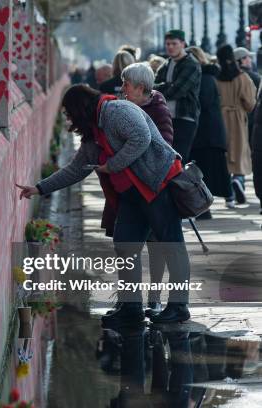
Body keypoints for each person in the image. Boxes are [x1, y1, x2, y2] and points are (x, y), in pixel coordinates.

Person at [16, 84, 191, 325]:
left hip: (157, 186)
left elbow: (142, 137)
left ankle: (179, 307)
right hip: (131, 195)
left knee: (171, 245)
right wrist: (39, 188)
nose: (68, 118)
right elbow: (76, 169)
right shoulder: (93, 135)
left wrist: (112, 165)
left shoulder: (116, 111)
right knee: (125, 245)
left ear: (80, 108)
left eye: (69, 112)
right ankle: (131, 308)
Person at [118, 62, 174, 316]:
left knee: (156, 246)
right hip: (130, 189)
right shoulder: (127, 107)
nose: (122, 89)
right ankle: (129, 300)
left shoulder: (158, 110)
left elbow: (163, 146)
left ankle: (154, 297)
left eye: (126, 85)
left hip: (154, 189)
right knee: (127, 243)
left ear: (141, 88)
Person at [187, 46, 232, 218]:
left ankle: (204, 208)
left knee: (203, 172)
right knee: (207, 171)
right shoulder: (207, 76)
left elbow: (202, 103)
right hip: (207, 133)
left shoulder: (204, 78)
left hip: (205, 134)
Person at [216, 44, 257, 206]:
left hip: (220, 119)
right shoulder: (242, 77)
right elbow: (250, 104)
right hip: (238, 119)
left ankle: (229, 196)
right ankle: (238, 180)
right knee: (239, 152)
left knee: (225, 155)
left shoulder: (216, 78)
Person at [154, 29, 202, 163]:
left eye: (174, 44)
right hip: (165, 118)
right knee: (164, 159)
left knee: (179, 159)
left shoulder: (191, 64)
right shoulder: (166, 64)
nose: (170, 47)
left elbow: (178, 91)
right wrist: (168, 85)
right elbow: (153, 88)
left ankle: (179, 184)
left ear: (183, 44)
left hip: (184, 118)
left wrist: (165, 86)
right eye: (168, 44)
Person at [234, 47, 261, 149]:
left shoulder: (228, 77)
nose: (250, 60)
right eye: (247, 57)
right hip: (252, 119)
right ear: (240, 60)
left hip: (235, 120)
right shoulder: (254, 77)